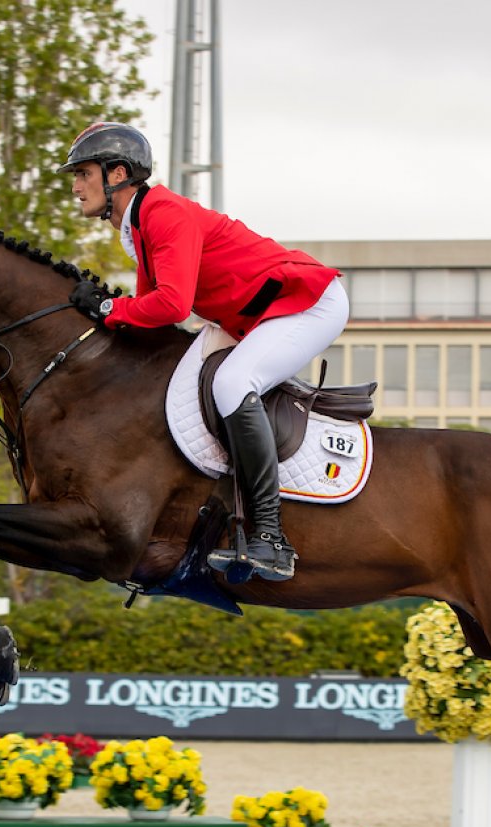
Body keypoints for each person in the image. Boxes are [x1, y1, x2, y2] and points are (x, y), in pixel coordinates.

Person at [61, 122, 347, 582]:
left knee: (234, 383)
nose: (75, 186)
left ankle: (271, 537)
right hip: (249, 316)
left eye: (83, 173)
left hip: (307, 304)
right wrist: (108, 314)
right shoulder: (138, 225)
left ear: (117, 174)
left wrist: (111, 307)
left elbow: (171, 303)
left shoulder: (163, 215)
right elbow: (154, 312)